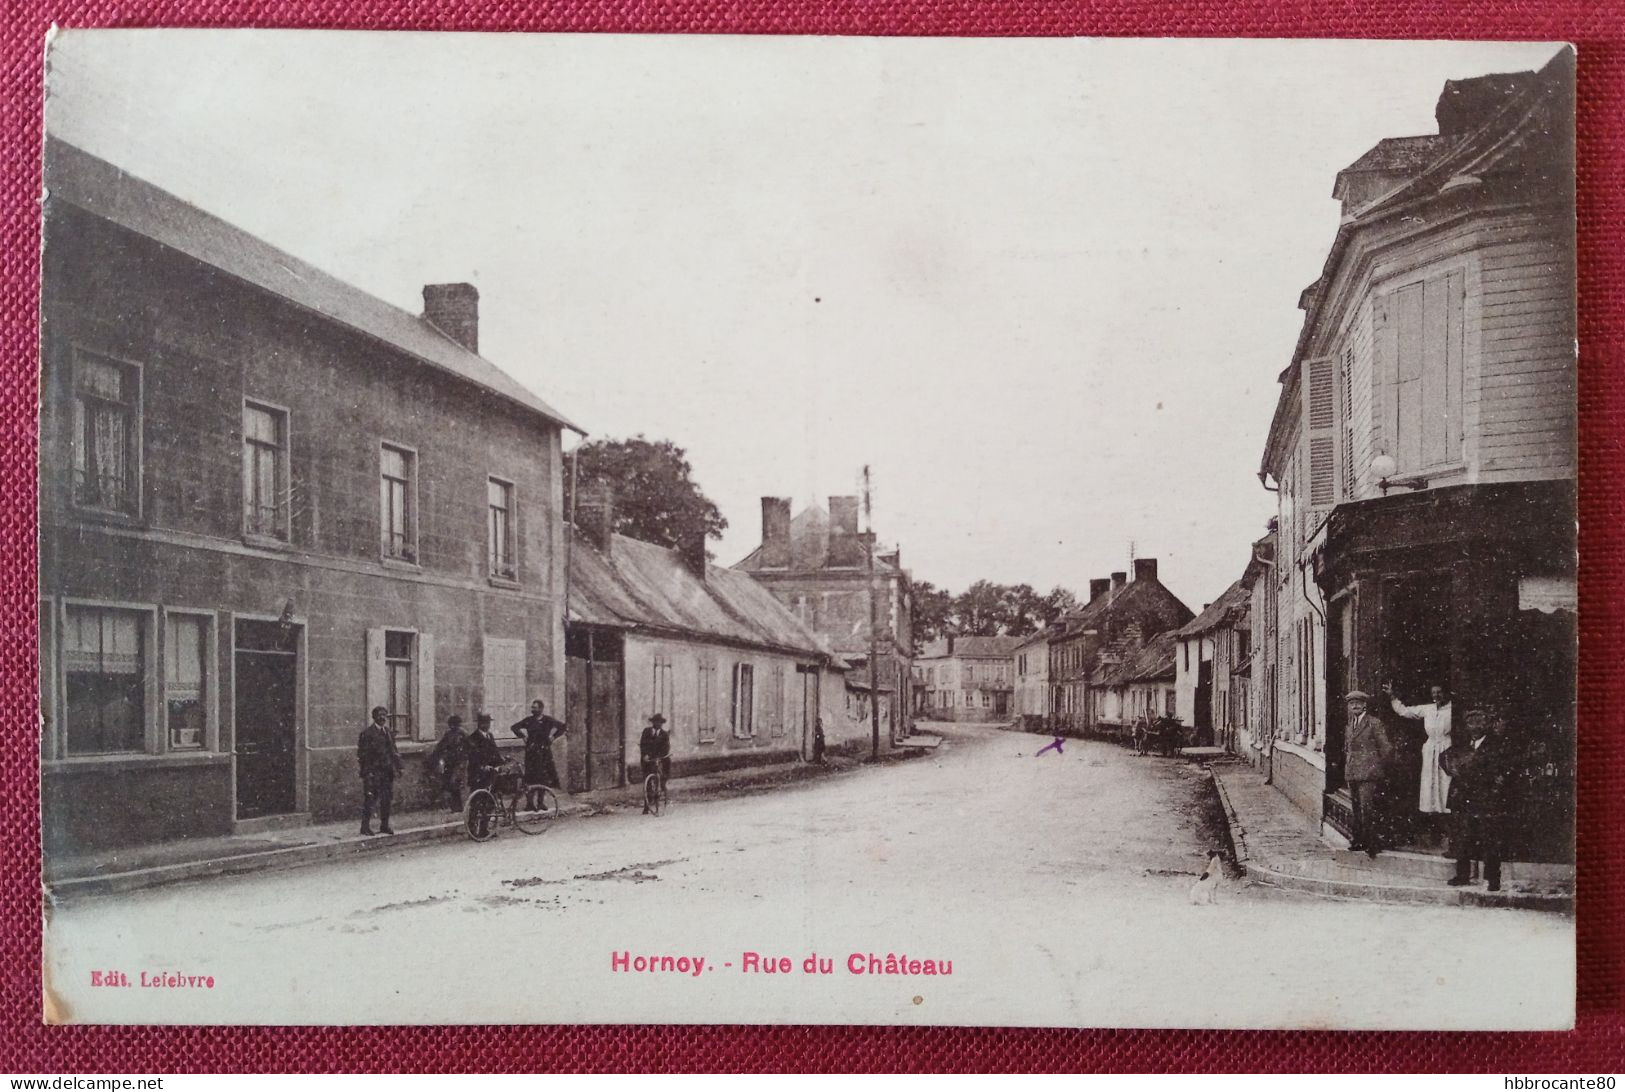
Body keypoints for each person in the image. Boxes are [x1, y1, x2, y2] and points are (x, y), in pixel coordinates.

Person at [1440, 707, 1513, 891]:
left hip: (1485, 799)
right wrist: (1452, 769)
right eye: (1471, 723)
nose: (1474, 727)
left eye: (1479, 723)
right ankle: (1462, 875)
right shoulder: (1463, 745)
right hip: (1464, 798)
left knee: (1489, 838)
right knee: (1462, 837)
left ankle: (1493, 879)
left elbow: (1500, 772)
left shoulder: (1496, 746)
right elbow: (1445, 758)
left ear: (1487, 725)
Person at [1343, 689, 1400, 858]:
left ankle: (1372, 843)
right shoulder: (1349, 725)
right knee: (1357, 808)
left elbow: (1386, 748)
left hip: (1368, 773)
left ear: (1364, 705)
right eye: (1351, 704)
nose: (1354, 706)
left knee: (1367, 809)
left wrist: (1375, 766)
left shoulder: (1374, 723)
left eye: (1358, 703)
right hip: (1353, 772)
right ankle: (1359, 840)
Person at [1385, 681, 1453, 816]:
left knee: (1445, 779)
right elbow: (1405, 711)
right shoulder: (1428, 708)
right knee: (1430, 780)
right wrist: (1392, 696)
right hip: (1430, 748)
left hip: (1446, 747)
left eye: (1439, 692)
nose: (1436, 695)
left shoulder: (1452, 709)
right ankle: (1431, 811)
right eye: (1433, 692)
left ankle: (1445, 811)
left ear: (1445, 693)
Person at [511, 698, 567, 808]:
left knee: (543, 778)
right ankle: (530, 804)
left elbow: (563, 727)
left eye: (535, 708)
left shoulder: (548, 720)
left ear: (541, 709)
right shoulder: (528, 720)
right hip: (531, 753)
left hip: (544, 753)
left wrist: (553, 737)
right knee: (530, 778)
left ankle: (540, 803)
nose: (533, 710)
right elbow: (514, 727)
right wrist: (523, 736)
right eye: (532, 708)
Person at [357, 705, 402, 836]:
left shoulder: (387, 732)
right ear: (374, 717)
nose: (382, 718)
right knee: (370, 799)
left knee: (386, 799)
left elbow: (394, 751)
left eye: (384, 715)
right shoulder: (367, 734)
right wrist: (367, 772)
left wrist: (399, 767)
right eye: (379, 715)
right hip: (373, 773)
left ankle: (384, 825)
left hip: (386, 772)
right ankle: (364, 827)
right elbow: (362, 755)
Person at [464, 713, 505, 838]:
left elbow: (495, 753)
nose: (487, 725)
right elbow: (473, 757)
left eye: (488, 722)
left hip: (490, 775)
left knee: (490, 802)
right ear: (479, 723)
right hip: (478, 775)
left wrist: (501, 762)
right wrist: (482, 766)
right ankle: (472, 830)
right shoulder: (473, 738)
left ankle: (484, 829)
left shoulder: (490, 736)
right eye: (484, 722)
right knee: (477, 803)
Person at [427, 714, 470, 811]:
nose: (453, 727)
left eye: (455, 725)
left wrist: (464, 760)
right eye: (451, 725)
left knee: (455, 783)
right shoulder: (448, 734)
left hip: (460, 763)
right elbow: (441, 746)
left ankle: (458, 807)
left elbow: (470, 748)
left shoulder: (463, 734)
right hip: (449, 763)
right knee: (449, 784)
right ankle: (455, 807)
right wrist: (434, 757)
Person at [639, 713, 672, 814]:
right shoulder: (646, 731)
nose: (658, 724)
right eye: (656, 722)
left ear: (662, 724)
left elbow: (666, 748)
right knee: (647, 781)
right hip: (648, 760)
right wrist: (645, 754)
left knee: (661, 776)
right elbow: (642, 744)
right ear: (652, 723)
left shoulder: (664, 734)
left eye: (660, 723)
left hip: (660, 759)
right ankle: (646, 806)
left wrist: (660, 756)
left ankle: (662, 785)